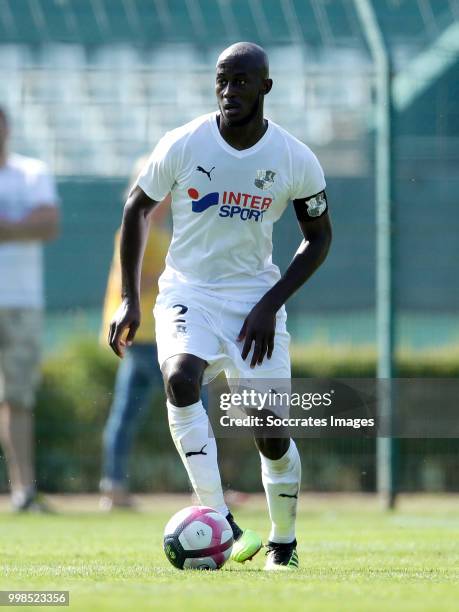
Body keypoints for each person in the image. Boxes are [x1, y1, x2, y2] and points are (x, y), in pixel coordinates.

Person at [109, 43, 332, 569]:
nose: (230, 91)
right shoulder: (184, 143)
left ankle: (284, 545)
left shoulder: (294, 158)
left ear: (265, 88)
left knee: (270, 433)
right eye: (223, 81)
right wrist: (129, 301)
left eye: (242, 81)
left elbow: (318, 238)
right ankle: (218, 518)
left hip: (258, 301)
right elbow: (137, 209)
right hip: (189, 293)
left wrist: (269, 305)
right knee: (181, 380)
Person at [99, 156, 171, 510]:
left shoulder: (159, 233)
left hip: (143, 337)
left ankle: (112, 486)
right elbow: (140, 281)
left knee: (125, 415)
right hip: (149, 337)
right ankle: (207, 488)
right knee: (192, 405)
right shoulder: (138, 231)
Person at [0, 106, 59, 512]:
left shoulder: (31, 171)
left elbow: (48, 223)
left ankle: (23, 491)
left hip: (21, 302)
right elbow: (33, 223)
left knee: (18, 398)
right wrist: (20, 224)